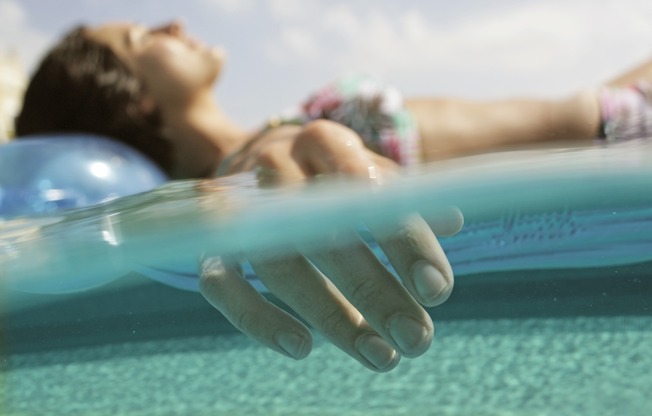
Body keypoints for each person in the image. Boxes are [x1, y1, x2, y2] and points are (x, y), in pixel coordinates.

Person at [14, 20, 652, 371]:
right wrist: (250, 173)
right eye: (144, 36)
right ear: (135, 97)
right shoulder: (256, 170)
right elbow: (253, 175)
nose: (175, 21)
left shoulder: (282, 136)